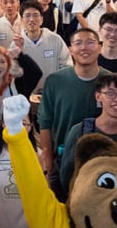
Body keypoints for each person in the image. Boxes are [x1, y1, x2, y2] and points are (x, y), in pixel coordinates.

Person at [36, 28, 110, 194]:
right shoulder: (55, 81)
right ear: (70, 49)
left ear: (99, 47)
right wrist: (48, 160)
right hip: (61, 162)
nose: (84, 47)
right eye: (78, 43)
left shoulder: (110, 82)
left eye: (90, 42)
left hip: (100, 167)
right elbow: (45, 122)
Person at [57, 74, 117, 195]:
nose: (116, 99)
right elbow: (66, 175)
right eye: (110, 93)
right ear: (98, 96)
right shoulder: (80, 131)